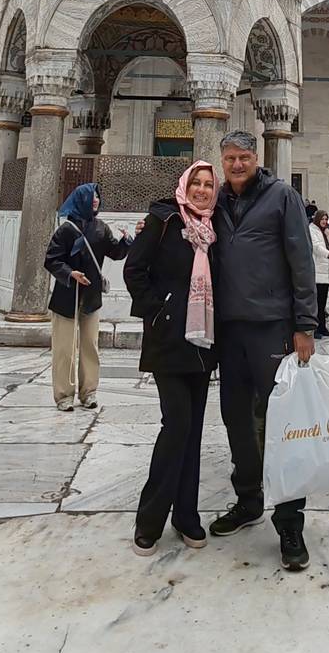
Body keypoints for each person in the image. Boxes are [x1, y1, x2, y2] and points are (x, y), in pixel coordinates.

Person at [209, 129, 317, 573]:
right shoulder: (215, 202)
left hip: (272, 327)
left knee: (279, 423)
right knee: (236, 416)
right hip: (229, 330)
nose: (237, 165)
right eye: (230, 158)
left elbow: (301, 258)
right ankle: (248, 499)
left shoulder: (281, 196)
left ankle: (289, 521)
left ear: (257, 158)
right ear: (222, 161)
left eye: (244, 157)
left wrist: (305, 324)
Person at [125, 161, 219, 555]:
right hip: (169, 342)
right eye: (195, 183)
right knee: (176, 426)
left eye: (207, 185)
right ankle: (149, 519)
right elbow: (134, 270)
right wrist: (159, 310)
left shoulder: (216, 230)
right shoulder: (162, 220)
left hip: (204, 344)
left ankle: (186, 516)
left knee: (193, 432)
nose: (200, 190)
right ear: (184, 185)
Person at [44, 183, 130, 411]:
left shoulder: (101, 228)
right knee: (64, 348)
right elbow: (51, 260)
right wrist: (70, 273)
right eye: (91, 197)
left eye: (97, 196)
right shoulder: (66, 230)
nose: (95, 200)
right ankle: (63, 395)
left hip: (90, 298)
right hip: (67, 297)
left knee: (90, 346)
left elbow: (116, 252)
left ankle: (89, 392)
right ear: (80, 199)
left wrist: (129, 240)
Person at [309, 210, 329, 337]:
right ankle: (315, 328)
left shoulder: (326, 230)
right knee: (317, 302)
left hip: (326, 269)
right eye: (322, 219)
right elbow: (316, 246)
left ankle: (322, 327)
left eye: (326, 219)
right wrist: (328, 254)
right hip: (317, 269)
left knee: (323, 302)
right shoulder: (312, 230)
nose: (324, 221)